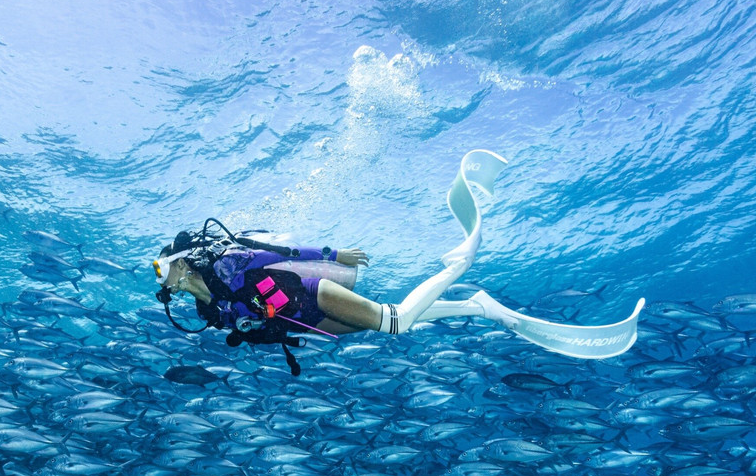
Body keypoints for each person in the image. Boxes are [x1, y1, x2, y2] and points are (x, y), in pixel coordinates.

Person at [153, 151, 644, 373]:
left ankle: (457, 265)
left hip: (312, 295)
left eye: (161, 268)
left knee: (397, 322)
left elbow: (282, 255)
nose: (161, 278)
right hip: (304, 323)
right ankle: (478, 307)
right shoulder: (203, 309)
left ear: (181, 262)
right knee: (391, 321)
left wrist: (333, 254)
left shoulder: (227, 264)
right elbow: (248, 327)